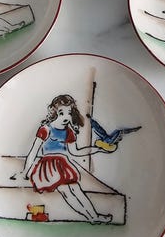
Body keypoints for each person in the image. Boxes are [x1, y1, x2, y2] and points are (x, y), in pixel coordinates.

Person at [18, 94, 113, 224]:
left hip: (63, 165)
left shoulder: (69, 132)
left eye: (69, 113)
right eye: (61, 113)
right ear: (54, 112)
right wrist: (25, 172)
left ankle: (93, 216)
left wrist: (96, 149)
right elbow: (33, 152)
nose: (66, 117)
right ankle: (92, 217)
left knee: (77, 190)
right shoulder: (46, 129)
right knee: (67, 192)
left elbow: (75, 152)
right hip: (49, 167)